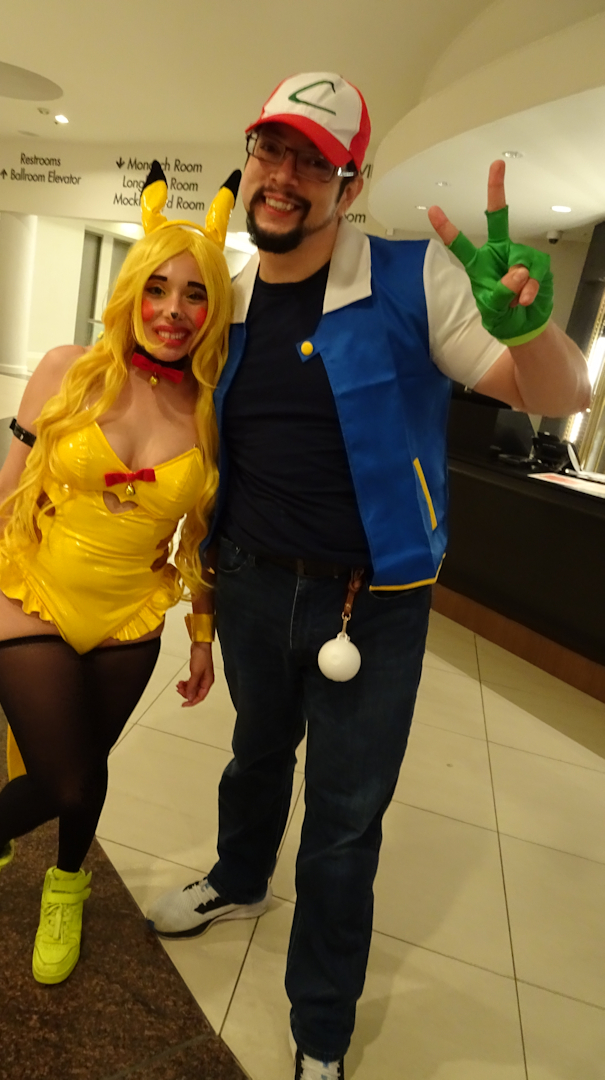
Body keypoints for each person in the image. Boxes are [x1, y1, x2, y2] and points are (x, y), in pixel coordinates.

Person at [145, 72, 590, 1079]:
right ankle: (239, 879)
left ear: (353, 184)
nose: (284, 176)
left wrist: (530, 329)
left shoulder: (410, 277)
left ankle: (320, 1030)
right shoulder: (229, 293)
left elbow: (556, 394)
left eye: (315, 161)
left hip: (374, 603)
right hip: (253, 580)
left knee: (345, 824)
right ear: (249, 157)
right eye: (272, 149)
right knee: (255, 755)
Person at [0, 162, 239, 986]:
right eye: (158, 288)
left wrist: (201, 635)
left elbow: (202, 536)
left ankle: (67, 888)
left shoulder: (211, 409)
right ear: (131, 291)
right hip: (33, 595)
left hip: (129, 615)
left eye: (195, 295)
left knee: (86, 773)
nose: (173, 311)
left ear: (215, 309)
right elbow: (3, 492)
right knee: (64, 777)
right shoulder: (66, 371)